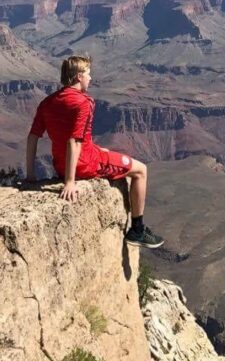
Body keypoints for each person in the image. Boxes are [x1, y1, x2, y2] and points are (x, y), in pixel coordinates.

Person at [26, 55, 164, 248]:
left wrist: (31, 175)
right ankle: (138, 230)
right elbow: (74, 141)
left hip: (60, 164)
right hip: (85, 164)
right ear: (78, 77)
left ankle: (137, 228)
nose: (91, 78)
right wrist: (70, 182)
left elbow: (32, 137)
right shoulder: (84, 103)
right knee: (141, 170)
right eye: (88, 74)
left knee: (105, 150)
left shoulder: (47, 102)